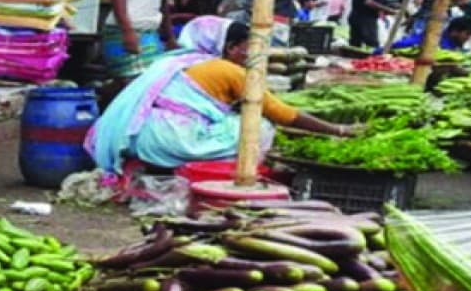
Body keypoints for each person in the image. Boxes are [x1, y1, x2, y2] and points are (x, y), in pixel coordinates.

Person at [87, 16, 353, 176]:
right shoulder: (227, 70)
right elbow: (283, 114)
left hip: (137, 139)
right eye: (244, 49)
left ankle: (162, 167)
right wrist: (339, 130)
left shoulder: (172, 61)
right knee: (259, 126)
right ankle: (206, 169)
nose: (249, 55)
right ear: (229, 47)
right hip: (170, 140)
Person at [391, 15, 471, 52]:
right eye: (467, 34)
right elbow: (400, 45)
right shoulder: (433, 40)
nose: (468, 38)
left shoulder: (453, 44)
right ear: (454, 31)